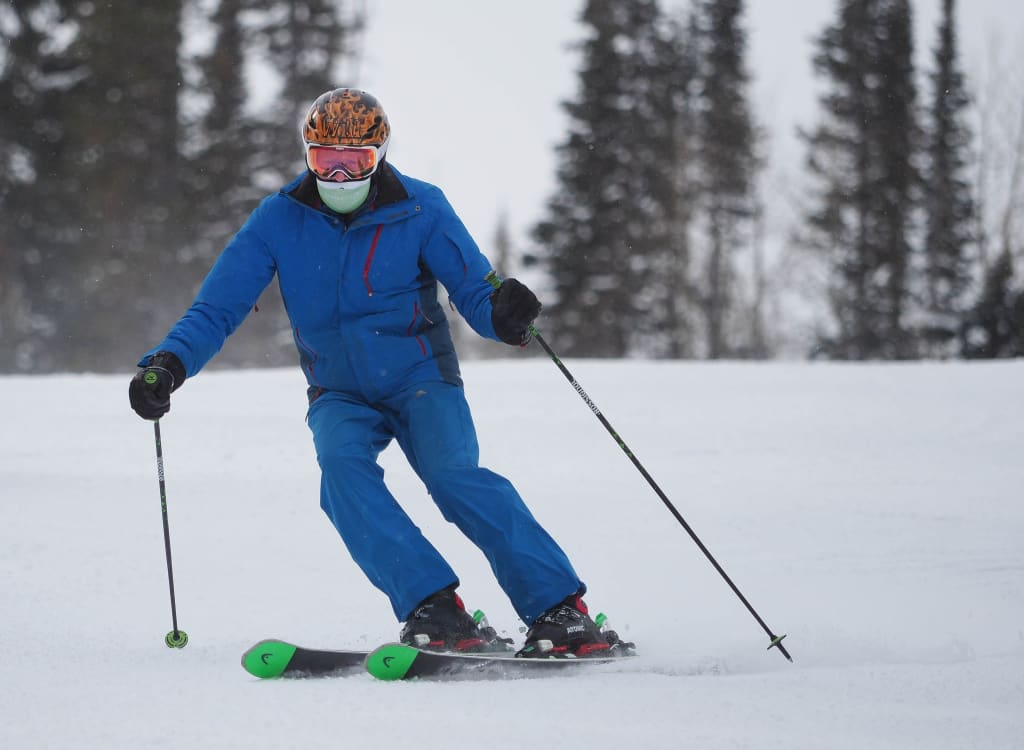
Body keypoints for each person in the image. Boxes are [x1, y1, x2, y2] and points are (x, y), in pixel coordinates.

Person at [129, 88, 631, 658]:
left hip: (421, 378)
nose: (340, 176)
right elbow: (218, 307)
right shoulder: (278, 219)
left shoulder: (422, 208)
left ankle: (559, 608)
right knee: (341, 474)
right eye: (325, 160)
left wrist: (504, 315)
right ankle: (433, 606)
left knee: (453, 476)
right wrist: (167, 364)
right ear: (307, 156)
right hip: (339, 391)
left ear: (380, 156)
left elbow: (474, 288)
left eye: (356, 161)